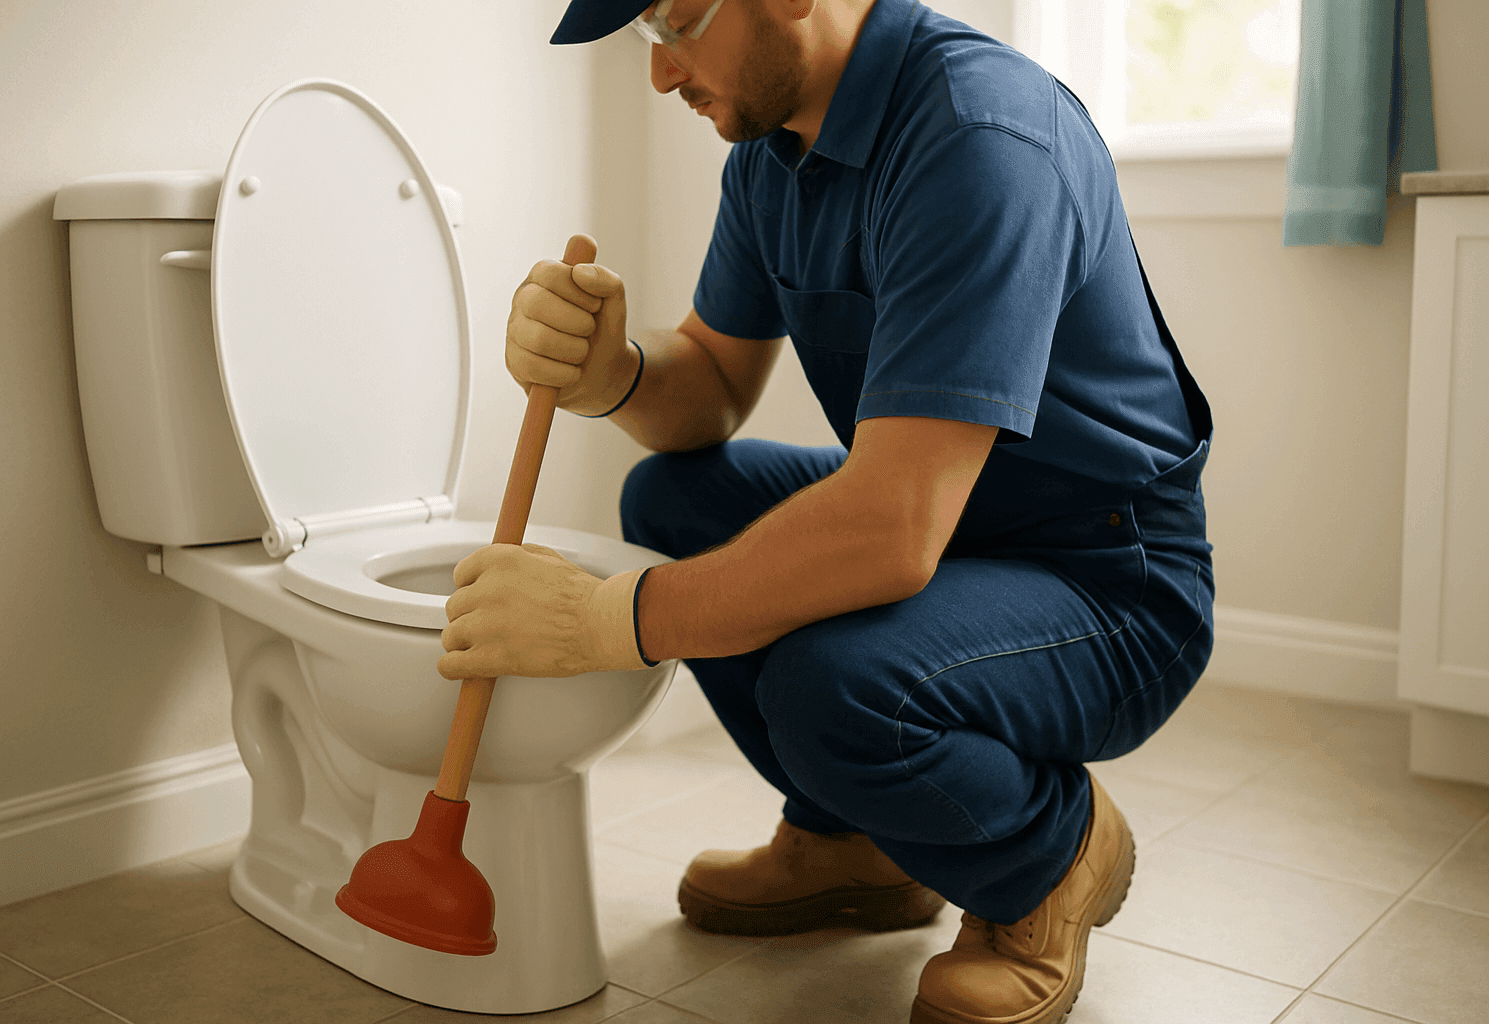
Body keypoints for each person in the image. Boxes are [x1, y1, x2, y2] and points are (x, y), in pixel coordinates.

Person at [435, 1, 1216, 1020]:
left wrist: (606, 621)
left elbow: (892, 529)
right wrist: (613, 373)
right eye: (646, 39)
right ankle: (852, 843)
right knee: (674, 499)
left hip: (1108, 579)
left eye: (676, 22)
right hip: (950, 530)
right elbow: (712, 381)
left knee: (831, 688)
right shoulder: (773, 151)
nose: (662, 75)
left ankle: (1050, 854)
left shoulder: (981, 136)